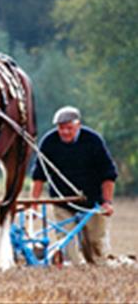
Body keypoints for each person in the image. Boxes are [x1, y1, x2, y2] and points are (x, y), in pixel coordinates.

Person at [30, 105, 118, 265]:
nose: (64, 132)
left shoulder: (93, 141)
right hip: (62, 202)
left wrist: (107, 202)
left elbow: (108, 174)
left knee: (95, 247)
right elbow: (38, 176)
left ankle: (99, 270)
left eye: (69, 128)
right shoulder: (49, 142)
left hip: (92, 203)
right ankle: (72, 271)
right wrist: (34, 204)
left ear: (78, 125)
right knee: (66, 246)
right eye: (61, 128)